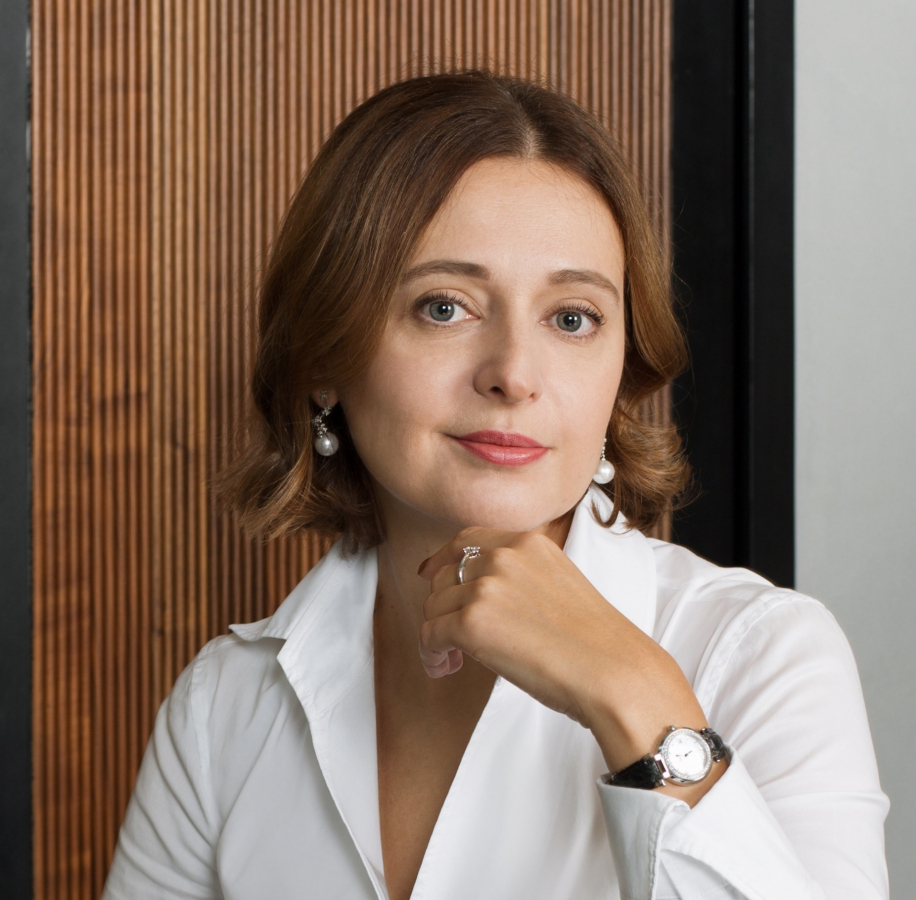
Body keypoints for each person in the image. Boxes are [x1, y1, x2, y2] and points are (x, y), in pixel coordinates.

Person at [101, 69, 889, 900]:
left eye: (572, 318)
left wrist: (633, 696)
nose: (514, 373)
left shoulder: (765, 656)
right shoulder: (223, 705)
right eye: (445, 307)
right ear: (326, 356)